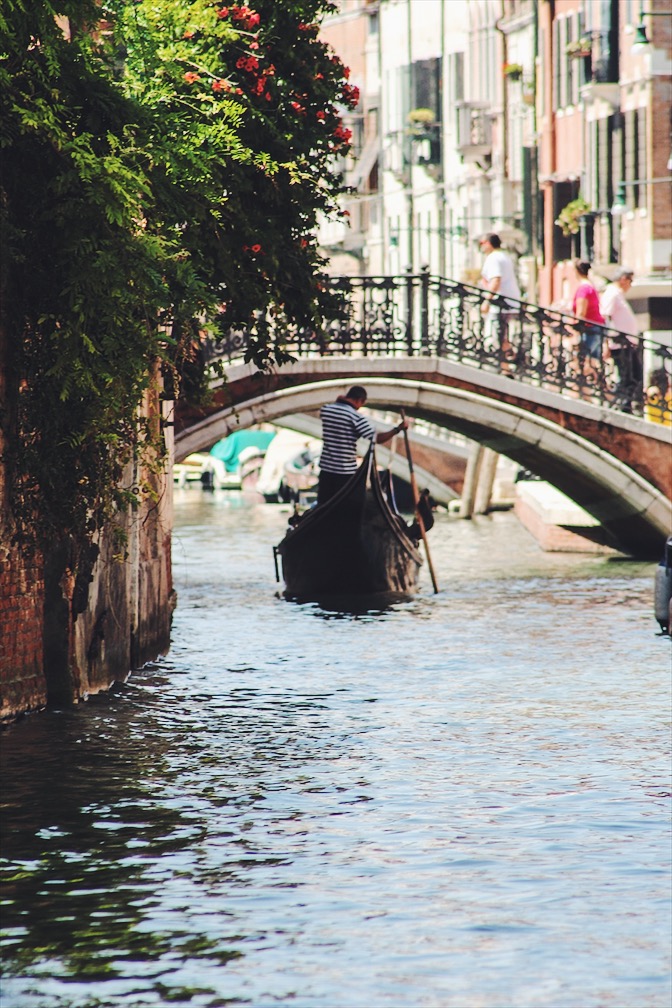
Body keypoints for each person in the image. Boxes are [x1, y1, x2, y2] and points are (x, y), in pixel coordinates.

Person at [317, 386, 408, 504]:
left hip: (326, 470)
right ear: (359, 400)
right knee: (346, 506)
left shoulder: (326, 410)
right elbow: (376, 438)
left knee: (324, 503)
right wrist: (397, 429)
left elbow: (335, 410)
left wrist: (340, 400)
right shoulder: (356, 417)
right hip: (345, 473)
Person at [600, 267, 643, 412]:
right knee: (630, 376)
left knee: (633, 376)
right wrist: (605, 343)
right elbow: (605, 318)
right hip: (620, 344)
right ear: (623, 279)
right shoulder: (612, 293)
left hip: (626, 344)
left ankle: (624, 405)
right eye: (630, 280)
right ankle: (621, 406)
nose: (631, 284)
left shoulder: (616, 294)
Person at [478, 233, 521, 363]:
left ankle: (506, 366)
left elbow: (495, 280)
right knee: (503, 335)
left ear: (487, 243)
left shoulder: (493, 258)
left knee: (499, 335)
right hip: (510, 301)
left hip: (501, 304)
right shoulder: (504, 256)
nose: (480, 247)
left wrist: (487, 301)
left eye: (481, 244)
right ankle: (509, 359)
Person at [571, 260, 605, 363]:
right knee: (592, 361)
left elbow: (581, 313)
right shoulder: (591, 287)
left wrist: (575, 333)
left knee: (584, 361)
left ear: (576, 271)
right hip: (596, 327)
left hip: (589, 329)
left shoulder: (584, 289)